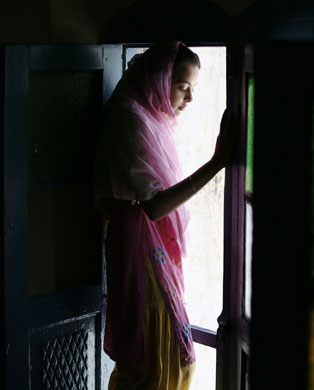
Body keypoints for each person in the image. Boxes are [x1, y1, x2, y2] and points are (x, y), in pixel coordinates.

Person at [93, 41, 234, 390]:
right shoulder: (131, 121)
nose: (189, 99)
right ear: (158, 81)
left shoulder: (147, 117)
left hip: (145, 240)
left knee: (170, 352)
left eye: (193, 89)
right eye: (182, 87)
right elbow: (154, 206)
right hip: (137, 241)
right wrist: (216, 163)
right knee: (155, 355)